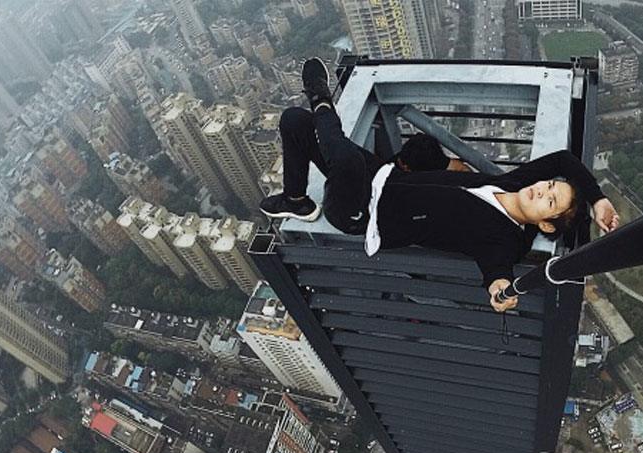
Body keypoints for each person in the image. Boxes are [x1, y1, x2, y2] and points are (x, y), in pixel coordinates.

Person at [261, 58, 620, 312]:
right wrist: (598, 199)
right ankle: (296, 199)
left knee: (345, 158)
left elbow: (496, 274)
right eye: (549, 186)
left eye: (550, 202)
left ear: (544, 224)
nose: (542, 190)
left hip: (363, 214)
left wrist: (500, 292)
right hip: (381, 176)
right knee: (294, 122)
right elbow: (563, 160)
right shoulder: (514, 182)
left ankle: (321, 98)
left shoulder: (505, 241)